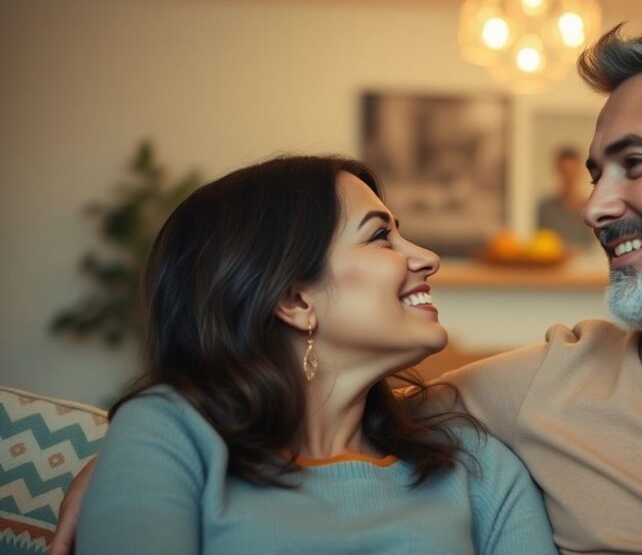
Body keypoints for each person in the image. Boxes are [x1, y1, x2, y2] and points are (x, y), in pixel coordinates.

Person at [54, 23, 642, 554]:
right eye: (593, 171)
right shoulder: (533, 386)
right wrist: (131, 469)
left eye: (633, 164)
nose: (595, 207)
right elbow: (296, 412)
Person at [69, 156, 556, 554]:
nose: (427, 257)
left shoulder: (474, 464)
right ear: (296, 301)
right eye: (380, 236)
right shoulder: (169, 433)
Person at [536, 147, 594, 249]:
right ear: (557, 172)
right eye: (565, 171)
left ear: (579, 172)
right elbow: (541, 243)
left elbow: (593, 246)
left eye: (572, 171)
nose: (568, 177)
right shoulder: (545, 208)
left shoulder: (590, 208)